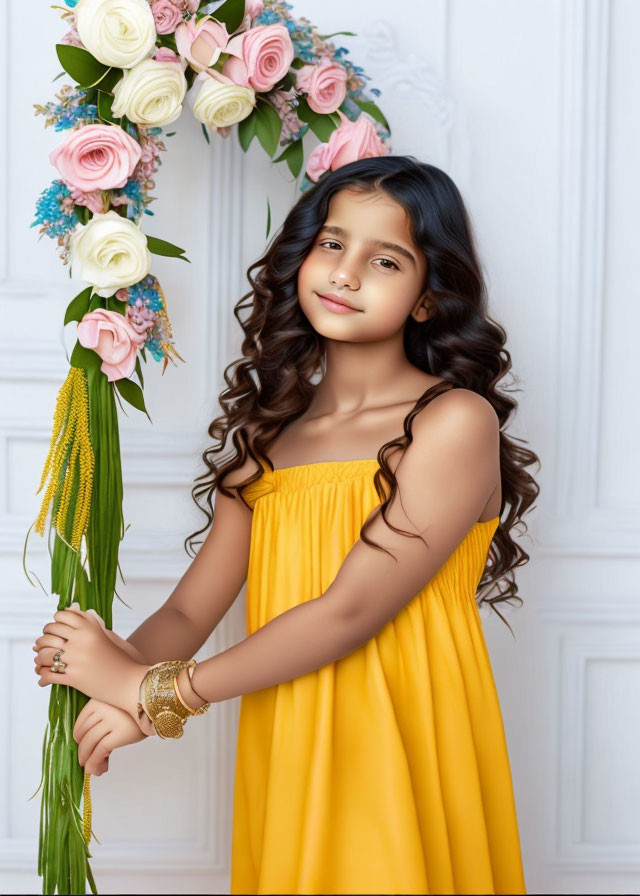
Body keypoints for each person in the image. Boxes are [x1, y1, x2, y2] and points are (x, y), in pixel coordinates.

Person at [33, 155, 539, 894]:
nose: (345, 272)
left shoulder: (453, 422)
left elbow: (349, 612)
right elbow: (187, 609)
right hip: (292, 738)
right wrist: (115, 677)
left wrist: (151, 693)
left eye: (386, 259)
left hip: (399, 737)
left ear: (428, 299)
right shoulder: (269, 439)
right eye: (332, 244)